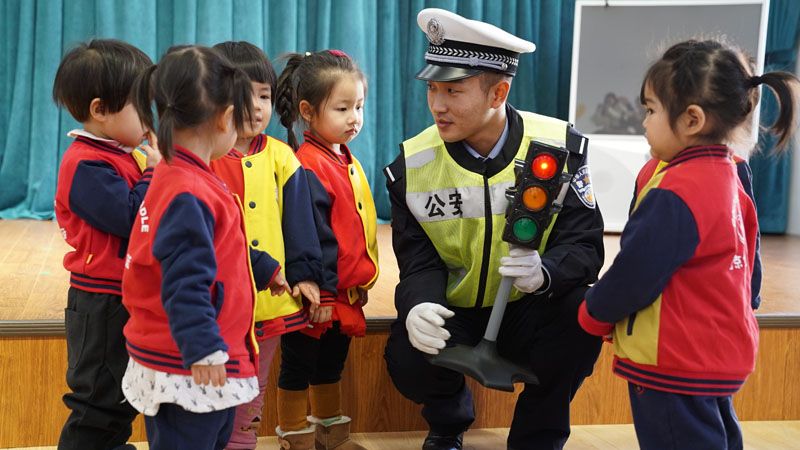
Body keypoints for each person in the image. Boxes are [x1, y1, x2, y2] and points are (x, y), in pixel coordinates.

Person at [383, 9, 605, 450]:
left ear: (498, 91)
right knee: (406, 355)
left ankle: (536, 438)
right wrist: (419, 306)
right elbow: (418, 261)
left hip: (530, 307)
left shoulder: (561, 149)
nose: (437, 105)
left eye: (453, 90)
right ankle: (448, 423)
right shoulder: (413, 165)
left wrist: (546, 274)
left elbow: (583, 243)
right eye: (432, 88)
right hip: (458, 312)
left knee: (582, 313)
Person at [577, 39, 799, 450]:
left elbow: (635, 273)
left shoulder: (677, 190)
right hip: (718, 353)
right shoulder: (731, 176)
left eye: (651, 110)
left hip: (674, 360)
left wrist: (593, 313)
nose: (643, 122)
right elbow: (749, 263)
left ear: (693, 119)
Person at [120, 45, 288, 450]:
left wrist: (262, 268)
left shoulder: (178, 173)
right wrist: (203, 348)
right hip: (190, 363)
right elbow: (185, 280)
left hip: (189, 358)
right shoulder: (189, 191)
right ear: (227, 118)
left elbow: (215, 248)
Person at [209, 40, 335, 450]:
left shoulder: (283, 157)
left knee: (254, 383)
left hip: (271, 299)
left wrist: (306, 276)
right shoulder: (204, 156)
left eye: (264, 94)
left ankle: (241, 443)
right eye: (244, 96)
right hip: (216, 300)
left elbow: (301, 223)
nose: (257, 106)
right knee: (213, 382)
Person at [52, 38, 158, 450]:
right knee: (97, 400)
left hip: (122, 296)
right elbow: (131, 218)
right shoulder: (85, 163)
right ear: (99, 110)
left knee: (121, 396)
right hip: (100, 303)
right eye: (142, 106)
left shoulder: (119, 154)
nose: (151, 118)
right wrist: (153, 174)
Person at [272, 49, 378, 450]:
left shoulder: (344, 158)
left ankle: (330, 436)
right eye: (342, 108)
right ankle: (295, 437)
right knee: (299, 366)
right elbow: (311, 236)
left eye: (360, 106)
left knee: (331, 365)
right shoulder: (307, 164)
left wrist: (360, 280)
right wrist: (322, 289)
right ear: (308, 111)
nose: (355, 117)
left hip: (343, 293)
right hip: (317, 294)